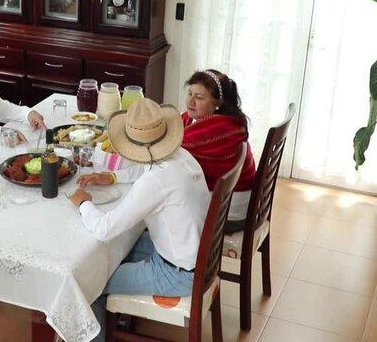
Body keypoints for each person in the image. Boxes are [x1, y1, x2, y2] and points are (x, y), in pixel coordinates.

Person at [69, 99, 210, 342]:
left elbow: (104, 229)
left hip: (177, 273)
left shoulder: (156, 181)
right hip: (195, 256)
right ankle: (120, 318)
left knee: (88, 283)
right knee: (113, 253)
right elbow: (143, 171)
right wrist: (111, 177)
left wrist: (84, 203)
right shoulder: (182, 156)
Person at [182, 69, 256, 233]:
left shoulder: (215, 132)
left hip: (230, 215)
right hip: (234, 200)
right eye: (190, 93)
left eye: (199, 97)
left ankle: (168, 255)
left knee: (161, 205)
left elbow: (170, 147)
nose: (190, 101)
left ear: (218, 103)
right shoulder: (227, 121)